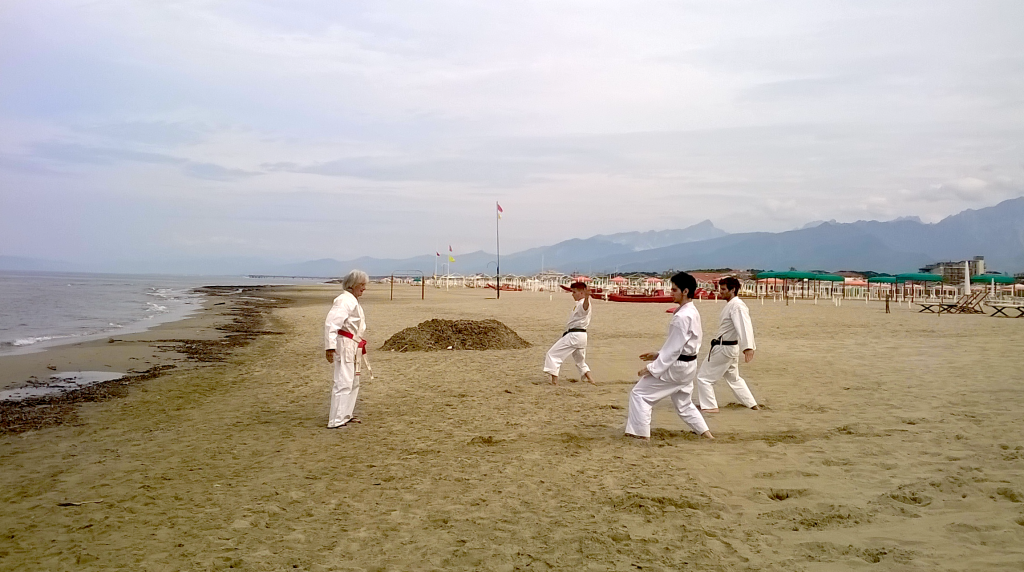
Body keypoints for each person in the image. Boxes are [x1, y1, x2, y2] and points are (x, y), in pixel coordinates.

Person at [625, 272, 713, 440]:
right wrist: (657, 354)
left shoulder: (682, 316)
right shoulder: (692, 311)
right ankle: (706, 434)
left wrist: (653, 368)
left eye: (674, 290)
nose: (670, 293)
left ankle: (640, 434)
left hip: (677, 367)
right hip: (688, 366)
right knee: (684, 403)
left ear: (685, 291)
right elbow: (682, 345)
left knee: (640, 394)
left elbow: (674, 349)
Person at [693, 276, 761, 412]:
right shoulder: (732, 305)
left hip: (724, 348)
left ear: (733, 289)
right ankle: (752, 405)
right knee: (734, 378)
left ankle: (710, 406)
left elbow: (744, 326)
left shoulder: (737, 306)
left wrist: (748, 347)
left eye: (723, 289)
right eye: (720, 289)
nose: (720, 292)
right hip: (728, 348)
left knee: (704, 378)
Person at [324, 270, 369, 428]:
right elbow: (332, 323)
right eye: (362, 285)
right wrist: (330, 346)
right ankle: (336, 419)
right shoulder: (344, 301)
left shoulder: (352, 301)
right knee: (343, 381)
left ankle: (345, 415)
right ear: (353, 285)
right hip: (344, 344)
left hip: (353, 344)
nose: (364, 288)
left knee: (353, 381)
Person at [543, 281, 595, 385]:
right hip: (581, 336)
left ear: (581, 293)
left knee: (553, 354)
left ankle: (554, 381)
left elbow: (585, 307)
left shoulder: (583, 304)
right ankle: (590, 379)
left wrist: (587, 297)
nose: (572, 294)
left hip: (575, 335)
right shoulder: (578, 304)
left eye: (574, 292)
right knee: (580, 360)